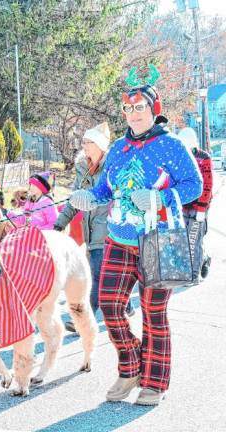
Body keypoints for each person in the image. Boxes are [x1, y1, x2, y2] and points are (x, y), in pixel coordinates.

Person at [68, 69, 202, 406]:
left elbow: (194, 186)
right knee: (111, 307)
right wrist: (90, 198)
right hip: (118, 239)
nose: (133, 114)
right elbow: (104, 188)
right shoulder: (118, 148)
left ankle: (154, 383)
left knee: (153, 315)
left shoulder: (171, 146)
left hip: (159, 240)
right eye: (128, 109)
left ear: (154, 109)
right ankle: (130, 367)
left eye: (139, 107)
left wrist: (161, 198)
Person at [55, 122, 134, 333]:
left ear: (100, 145)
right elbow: (74, 200)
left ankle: (83, 319)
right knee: (104, 275)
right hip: (91, 230)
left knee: (96, 275)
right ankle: (127, 305)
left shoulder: (113, 165)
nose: (84, 145)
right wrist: (59, 224)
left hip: (110, 228)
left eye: (87, 142)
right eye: (83, 142)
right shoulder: (83, 168)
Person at [177, 127, 212, 281]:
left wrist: (202, 208)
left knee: (193, 239)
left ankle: (193, 274)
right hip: (183, 206)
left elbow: (207, 184)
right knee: (183, 240)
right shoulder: (179, 158)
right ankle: (202, 260)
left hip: (198, 206)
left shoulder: (203, 158)